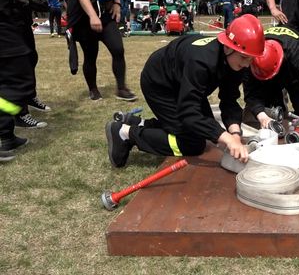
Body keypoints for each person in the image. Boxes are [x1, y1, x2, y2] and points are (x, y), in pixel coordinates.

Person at [104, 14, 265, 168]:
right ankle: (125, 133)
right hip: (159, 84)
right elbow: (189, 113)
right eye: (244, 58)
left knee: (206, 129)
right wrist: (226, 138)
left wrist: (235, 135)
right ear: (228, 48)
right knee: (192, 143)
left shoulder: (236, 61)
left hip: (181, 82)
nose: (246, 64)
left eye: (251, 59)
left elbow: (229, 100)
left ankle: (140, 123)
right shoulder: (201, 62)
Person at [0, 0, 53, 161]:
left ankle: (6, 136)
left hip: (10, 18)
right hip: (3, 23)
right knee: (20, 79)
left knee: (9, 82)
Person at [67, 0, 137, 101]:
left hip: (106, 14)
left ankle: (121, 89)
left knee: (118, 49)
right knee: (90, 55)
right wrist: (92, 16)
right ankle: (93, 89)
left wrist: (117, 3)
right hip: (84, 18)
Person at [244, 25, 299, 127]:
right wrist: (262, 116)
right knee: (272, 113)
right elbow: (251, 93)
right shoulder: (251, 59)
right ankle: (278, 98)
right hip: (268, 81)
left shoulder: (298, 56)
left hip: (294, 75)